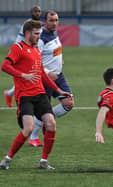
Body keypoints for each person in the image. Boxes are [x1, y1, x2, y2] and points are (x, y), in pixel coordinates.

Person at [0, 20, 72, 170]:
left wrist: (58, 90)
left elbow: (42, 75)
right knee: (28, 128)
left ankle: (43, 161)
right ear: (27, 33)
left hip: (40, 94)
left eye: (39, 34)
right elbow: (5, 66)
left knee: (51, 124)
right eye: (36, 34)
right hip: (24, 96)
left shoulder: (36, 50)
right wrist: (22, 75)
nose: (39, 37)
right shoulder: (17, 47)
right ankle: (7, 159)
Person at [28, 10, 75, 147]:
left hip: (59, 76)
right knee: (43, 109)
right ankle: (33, 136)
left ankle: (44, 122)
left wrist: (60, 60)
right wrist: (47, 72)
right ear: (45, 21)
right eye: (51, 20)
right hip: (45, 78)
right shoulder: (41, 38)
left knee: (69, 103)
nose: (54, 23)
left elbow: (54, 51)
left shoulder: (54, 33)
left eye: (56, 20)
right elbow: (34, 59)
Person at [4, 5, 42, 107]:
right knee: (27, 79)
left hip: (37, 54)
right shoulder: (28, 24)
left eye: (38, 11)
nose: (37, 13)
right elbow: (22, 39)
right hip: (26, 53)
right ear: (31, 13)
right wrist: (20, 52)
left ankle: (10, 93)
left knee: (34, 78)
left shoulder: (40, 24)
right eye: (35, 11)